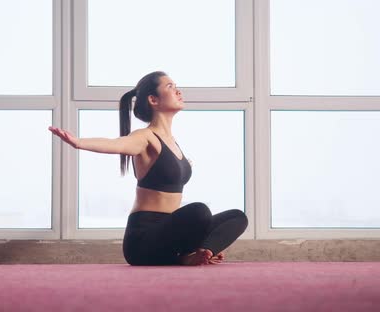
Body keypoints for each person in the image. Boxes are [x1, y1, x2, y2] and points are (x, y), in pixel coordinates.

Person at [49, 71, 248, 265]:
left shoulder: (174, 142)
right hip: (143, 240)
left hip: (170, 234)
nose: (179, 91)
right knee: (200, 211)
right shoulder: (145, 137)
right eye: (170, 87)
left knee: (237, 217)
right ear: (153, 100)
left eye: (177, 87)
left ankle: (204, 252)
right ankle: (184, 256)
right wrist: (79, 142)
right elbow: (117, 144)